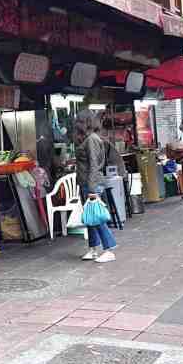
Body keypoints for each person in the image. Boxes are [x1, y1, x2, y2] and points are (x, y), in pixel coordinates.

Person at [73, 110, 117, 263]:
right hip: (87, 183)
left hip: (92, 183)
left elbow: (94, 165)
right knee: (90, 218)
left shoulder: (92, 139)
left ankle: (109, 250)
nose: (76, 124)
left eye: (78, 121)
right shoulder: (89, 138)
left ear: (84, 122)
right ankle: (93, 249)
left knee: (97, 218)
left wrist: (92, 189)